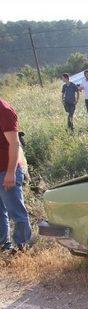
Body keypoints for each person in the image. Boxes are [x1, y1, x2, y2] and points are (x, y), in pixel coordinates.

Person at [0, 98, 31, 254]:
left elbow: (14, 143)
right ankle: (4, 245)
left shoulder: (4, 110)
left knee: (16, 211)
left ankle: (22, 247)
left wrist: (11, 172)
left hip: (6, 171)